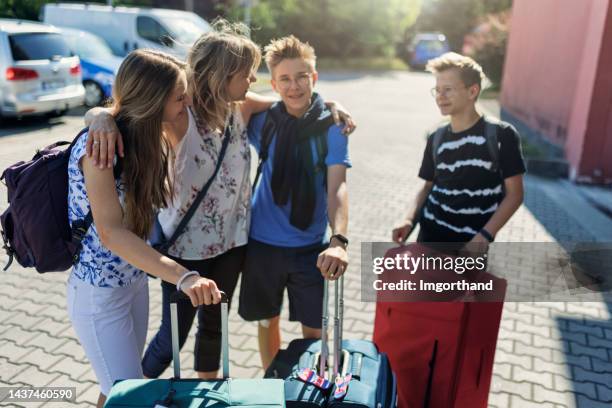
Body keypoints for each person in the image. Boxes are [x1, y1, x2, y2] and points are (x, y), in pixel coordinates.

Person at [85, 21, 355, 381]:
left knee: (215, 329)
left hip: (232, 246)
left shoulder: (240, 108)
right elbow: (130, 110)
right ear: (222, 75)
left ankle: (205, 391)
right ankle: (134, 393)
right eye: (246, 73)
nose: (252, 81)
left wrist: (328, 103)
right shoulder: (180, 116)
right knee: (172, 338)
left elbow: (290, 100)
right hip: (183, 251)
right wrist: (99, 116)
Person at [67, 49, 222, 408]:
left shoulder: (148, 135)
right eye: (179, 97)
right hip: (99, 295)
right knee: (131, 394)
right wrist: (183, 276)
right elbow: (111, 233)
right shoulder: (100, 148)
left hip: (133, 284)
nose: (187, 101)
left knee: (117, 390)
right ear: (153, 101)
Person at [381, 52, 526, 407]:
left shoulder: (501, 135)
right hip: (428, 243)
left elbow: (515, 195)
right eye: (436, 90)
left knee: (456, 334)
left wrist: (483, 238)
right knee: (416, 328)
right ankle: (409, 396)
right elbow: (427, 187)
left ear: (472, 91)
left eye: (448, 89)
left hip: (468, 253)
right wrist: (408, 219)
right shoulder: (436, 137)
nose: (440, 96)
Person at [238, 36, 350, 370]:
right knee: (265, 322)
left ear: (314, 78)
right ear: (273, 84)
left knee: (313, 331)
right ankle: (273, 385)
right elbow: (232, 98)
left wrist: (339, 240)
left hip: (310, 247)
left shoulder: (333, 127)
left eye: (302, 76)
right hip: (261, 245)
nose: (294, 86)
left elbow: (338, 188)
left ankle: (308, 388)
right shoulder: (264, 120)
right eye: (284, 79)